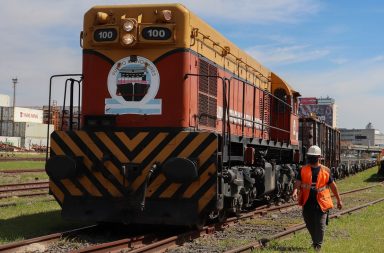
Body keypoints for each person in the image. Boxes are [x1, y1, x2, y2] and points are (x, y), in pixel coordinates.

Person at [292, 145, 343, 251]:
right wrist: (295, 191)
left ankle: (318, 245)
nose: (312, 158)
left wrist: (339, 199)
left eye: (314, 156)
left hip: (322, 202)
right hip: (307, 200)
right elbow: (298, 182)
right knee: (309, 223)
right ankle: (315, 242)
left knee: (320, 225)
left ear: (319, 157)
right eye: (311, 156)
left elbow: (333, 186)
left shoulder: (326, 170)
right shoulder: (303, 170)